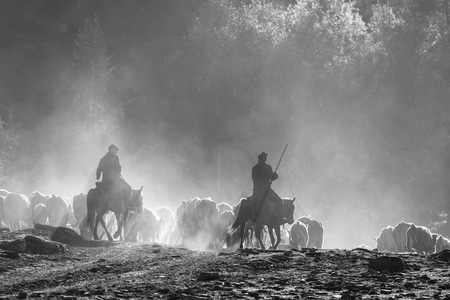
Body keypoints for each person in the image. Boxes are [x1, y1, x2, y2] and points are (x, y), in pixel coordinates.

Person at [251, 151, 284, 220]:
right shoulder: (268, 167)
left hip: (256, 191)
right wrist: (275, 174)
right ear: (265, 160)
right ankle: (280, 219)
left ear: (259, 159)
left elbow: (255, 180)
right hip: (266, 191)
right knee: (279, 201)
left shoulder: (254, 168)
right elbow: (273, 178)